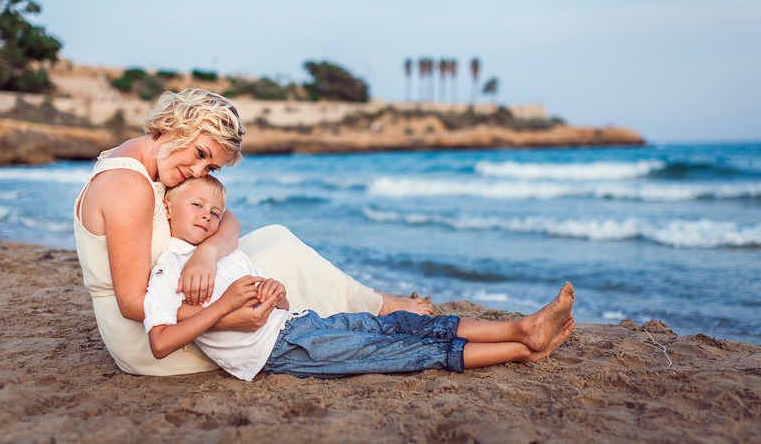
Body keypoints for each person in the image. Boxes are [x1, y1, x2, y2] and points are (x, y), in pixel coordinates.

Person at [73, 88, 432, 376]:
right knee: (284, 264)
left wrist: (206, 255)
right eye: (200, 153)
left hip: (181, 291)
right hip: (149, 338)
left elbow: (228, 220)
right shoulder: (128, 186)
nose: (198, 171)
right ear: (178, 124)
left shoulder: (154, 163)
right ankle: (380, 307)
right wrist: (227, 316)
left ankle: (375, 305)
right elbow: (134, 303)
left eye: (210, 166)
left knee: (276, 237)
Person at [144, 175, 576, 381]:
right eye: (196, 206)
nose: (208, 216)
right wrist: (223, 307)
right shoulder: (168, 270)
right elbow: (161, 341)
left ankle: (521, 328)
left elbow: (273, 302)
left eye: (215, 211)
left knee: (401, 326)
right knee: (401, 352)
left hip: (298, 325)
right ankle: (521, 351)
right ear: (167, 209)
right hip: (278, 352)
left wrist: (273, 293)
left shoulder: (226, 253)